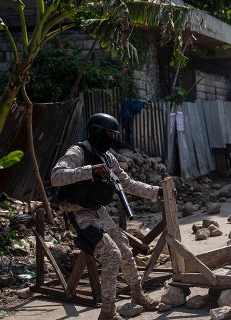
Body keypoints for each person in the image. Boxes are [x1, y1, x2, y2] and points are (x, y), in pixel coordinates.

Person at [51, 113, 166, 320]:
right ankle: (107, 311)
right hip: (79, 212)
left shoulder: (108, 157)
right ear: (96, 131)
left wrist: (158, 191)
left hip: (99, 211)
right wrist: (90, 171)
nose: (111, 138)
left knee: (124, 251)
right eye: (108, 133)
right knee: (112, 254)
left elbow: (128, 183)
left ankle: (138, 295)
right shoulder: (78, 152)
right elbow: (56, 176)